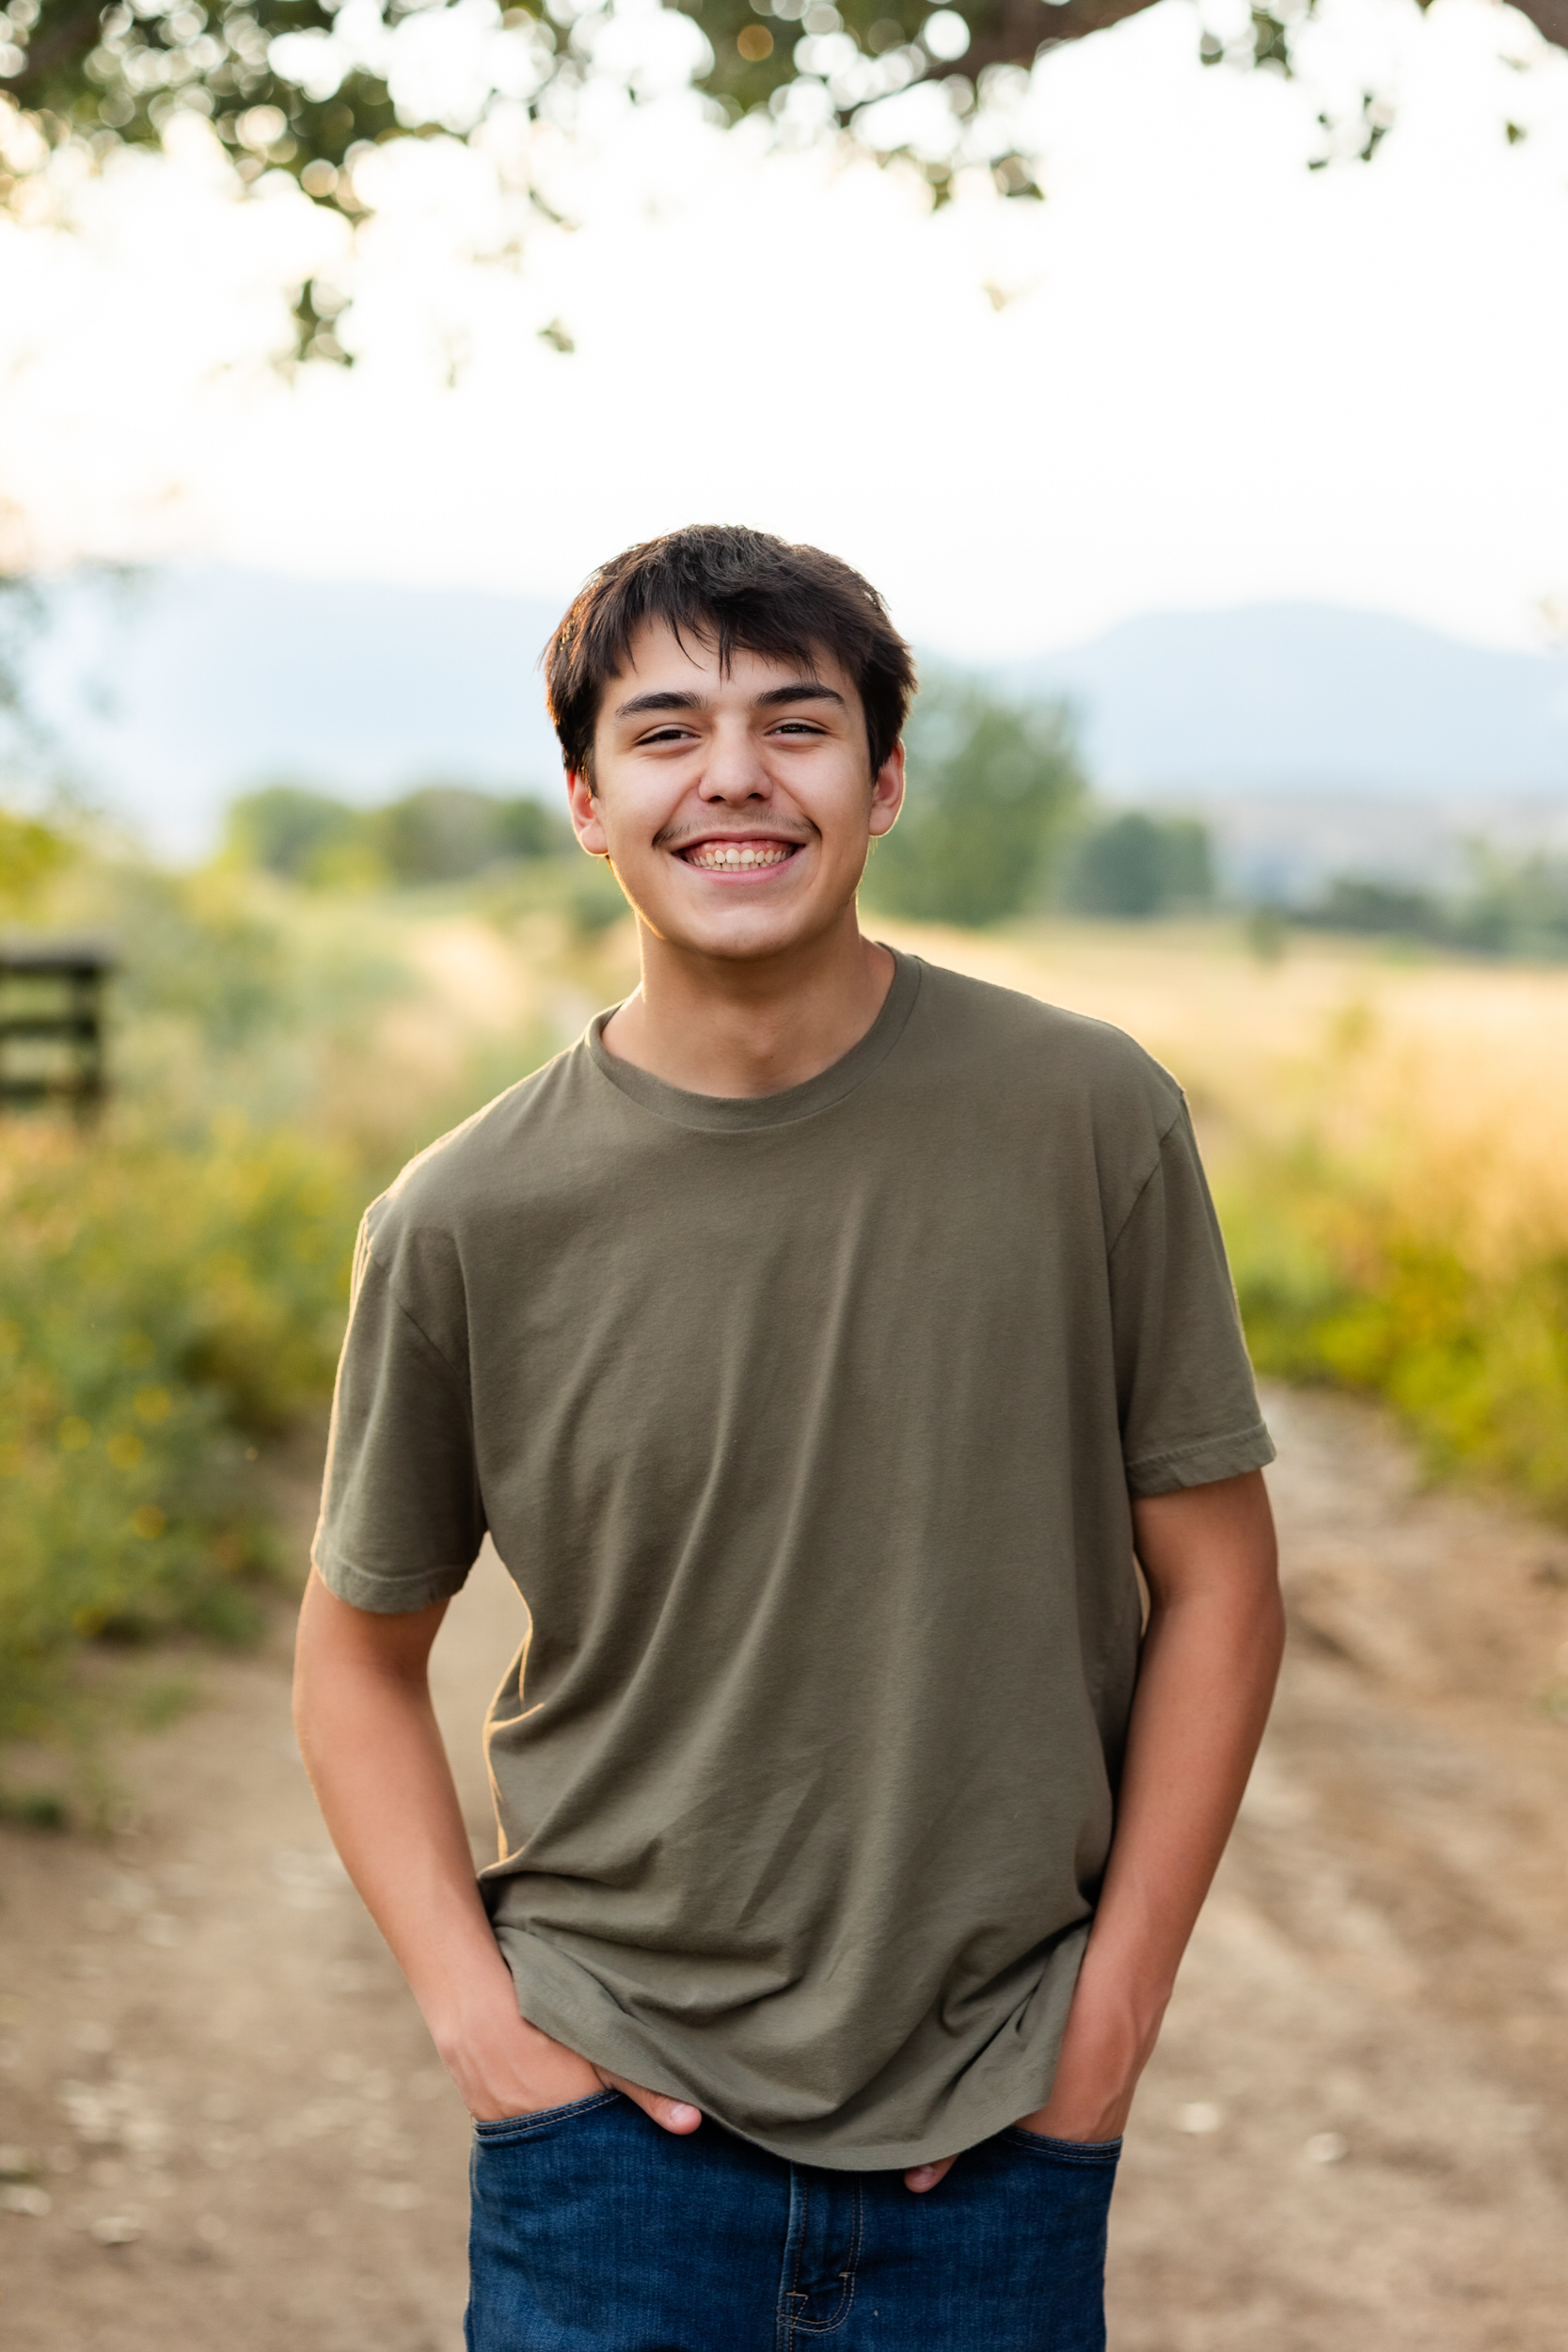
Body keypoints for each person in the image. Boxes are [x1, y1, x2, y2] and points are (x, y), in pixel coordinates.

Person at [293, 523, 1285, 2352]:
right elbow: (356, 1655)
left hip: (999, 2123)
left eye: (796, 723)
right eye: (664, 731)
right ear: (587, 800)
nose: (733, 774)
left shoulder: (1086, 1117)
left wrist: (1112, 2018)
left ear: (885, 779)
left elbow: (1222, 1584)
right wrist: (483, 2026)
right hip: (609, 2136)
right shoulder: (463, 1218)